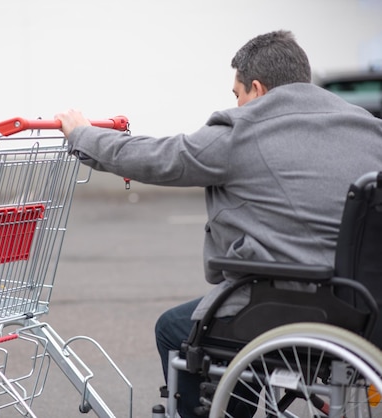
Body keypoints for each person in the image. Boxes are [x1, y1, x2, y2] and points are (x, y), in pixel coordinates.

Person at [54, 30, 382, 418]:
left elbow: (159, 158)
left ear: (257, 89)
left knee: (175, 329)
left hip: (289, 306)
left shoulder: (245, 131)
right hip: (365, 312)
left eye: (237, 94)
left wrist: (83, 136)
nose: (237, 103)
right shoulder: (366, 127)